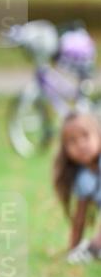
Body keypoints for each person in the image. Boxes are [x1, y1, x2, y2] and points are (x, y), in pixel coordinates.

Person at [53, 111, 101, 264]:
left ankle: (93, 248)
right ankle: (88, 250)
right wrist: (73, 249)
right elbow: (80, 218)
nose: (81, 145)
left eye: (85, 136)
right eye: (72, 141)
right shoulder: (83, 179)